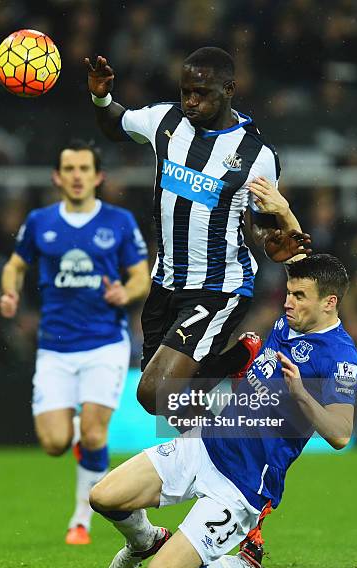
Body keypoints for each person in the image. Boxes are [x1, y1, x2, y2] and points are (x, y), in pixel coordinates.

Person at [89, 252, 357, 568]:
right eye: (289, 292)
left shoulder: (340, 357)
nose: (288, 302)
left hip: (243, 484)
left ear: (329, 302)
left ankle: (247, 565)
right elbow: (297, 250)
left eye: (299, 296)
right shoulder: (289, 323)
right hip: (206, 443)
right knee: (102, 497)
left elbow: (341, 433)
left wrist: (301, 394)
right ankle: (146, 540)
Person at [84, 46, 311, 415]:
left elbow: (260, 227)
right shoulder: (164, 121)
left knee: (154, 392)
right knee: (171, 405)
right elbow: (115, 124)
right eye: (185, 91)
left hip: (218, 287)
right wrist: (100, 95)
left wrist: (274, 244)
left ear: (229, 89)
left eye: (201, 93)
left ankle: (240, 356)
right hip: (166, 283)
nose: (191, 101)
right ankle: (211, 464)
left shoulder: (257, 156)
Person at [0, 140, 149, 545]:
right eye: (69, 169)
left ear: (98, 176)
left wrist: (125, 292)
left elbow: (141, 275)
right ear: (57, 177)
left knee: (98, 436)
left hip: (104, 343)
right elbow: (15, 266)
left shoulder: (118, 221)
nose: (77, 175)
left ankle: (81, 517)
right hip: (55, 347)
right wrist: (11, 292)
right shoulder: (40, 221)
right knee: (54, 443)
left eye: (85, 168)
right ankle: (78, 427)